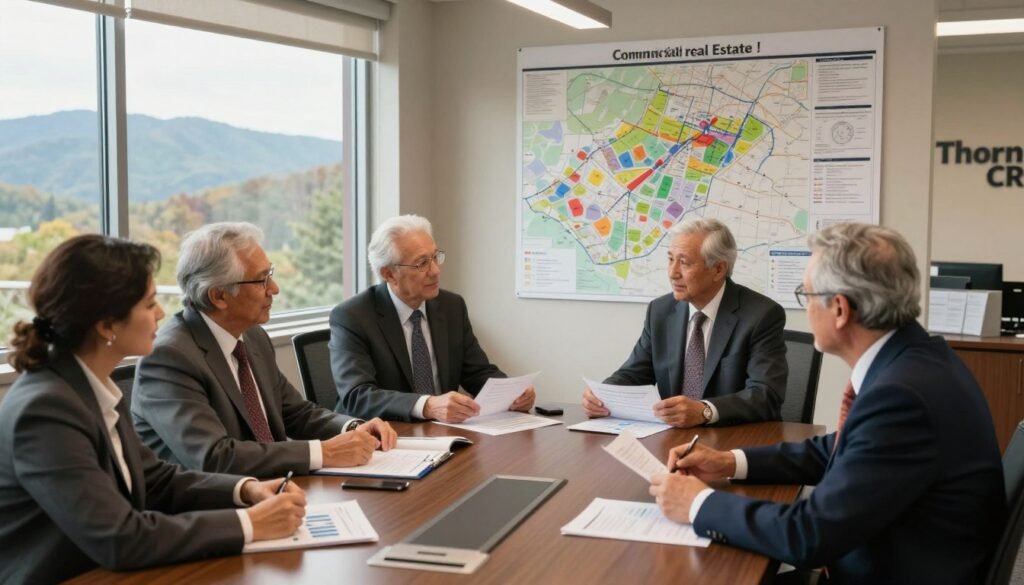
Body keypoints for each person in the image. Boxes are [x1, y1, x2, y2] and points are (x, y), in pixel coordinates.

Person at [650, 223, 1004, 584]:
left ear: (839, 309)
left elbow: (809, 535)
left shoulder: (901, 397)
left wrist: (697, 504)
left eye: (806, 294)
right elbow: (838, 450)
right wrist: (729, 462)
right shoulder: (918, 360)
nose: (805, 306)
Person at [0, 235, 306, 583]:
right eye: (148, 305)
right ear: (106, 325)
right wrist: (250, 523)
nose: (161, 313)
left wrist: (246, 489)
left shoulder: (89, 386)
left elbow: (155, 479)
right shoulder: (45, 411)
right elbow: (121, 537)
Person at [132, 222, 396, 478]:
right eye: (261, 281)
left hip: (276, 489)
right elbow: (214, 457)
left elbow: (295, 412)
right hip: (211, 509)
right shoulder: (169, 358)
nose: (274, 289)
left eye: (270, 275)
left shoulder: (252, 335)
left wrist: (354, 427)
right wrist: (323, 452)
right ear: (218, 296)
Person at [583, 217, 787, 428]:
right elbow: (634, 373)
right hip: (672, 438)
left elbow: (766, 395)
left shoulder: (761, 315)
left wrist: (705, 411)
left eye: (684, 262)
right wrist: (602, 396)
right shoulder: (660, 311)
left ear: (718, 269)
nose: (673, 273)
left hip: (732, 439)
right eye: (671, 259)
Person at [330, 215, 535, 422]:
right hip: (388, 437)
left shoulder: (451, 306)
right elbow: (357, 396)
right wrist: (427, 405)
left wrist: (512, 394)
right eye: (421, 263)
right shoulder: (353, 317)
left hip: (447, 434)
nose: (436, 271)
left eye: (435, 257)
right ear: (389, 274)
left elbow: (476, 371)